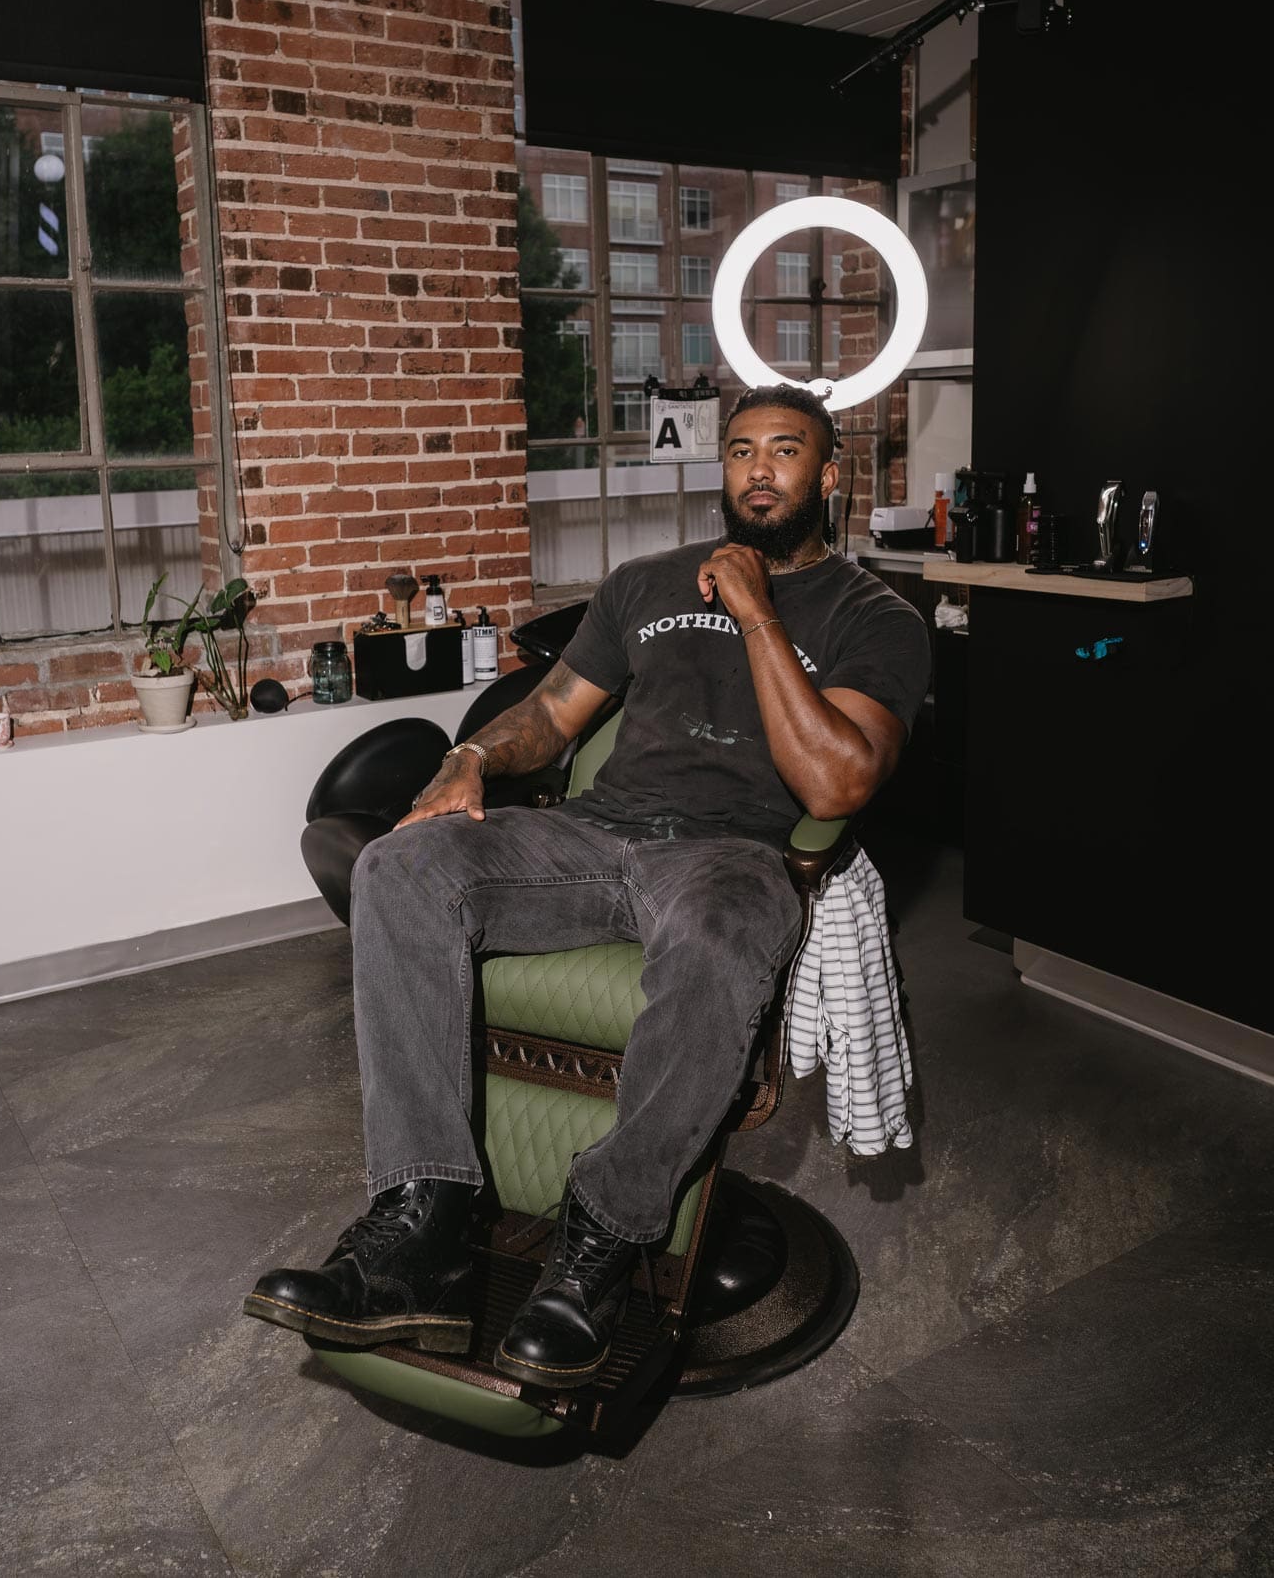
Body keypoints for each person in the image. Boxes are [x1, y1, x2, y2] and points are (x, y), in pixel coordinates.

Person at [245, 383, 931, 1388]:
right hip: (590, 837)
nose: (757, 470)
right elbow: (553, 715)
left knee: (716, 935)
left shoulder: (873, 614)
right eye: (739, 451)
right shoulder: (645, 583)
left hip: (727, 856)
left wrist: (753, 612)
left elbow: (834, 780)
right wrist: (475, 754)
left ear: (827, 476)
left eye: (784, 451)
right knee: (400, 867)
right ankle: (422, 1227)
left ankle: (599, 1243)